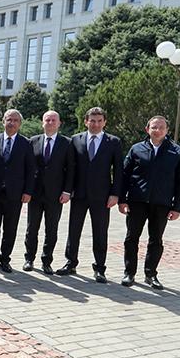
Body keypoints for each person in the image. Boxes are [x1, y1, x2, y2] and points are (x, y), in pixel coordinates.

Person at [119, 116, 180, 290]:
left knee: (155, 240)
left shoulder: (176, 152)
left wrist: (177, 207)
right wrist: (122, 199)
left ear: (167, 130)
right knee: (131, 238)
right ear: (147, 129)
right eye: (154, 127)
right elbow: (124, 176)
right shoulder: (136, 149)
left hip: (162, 203)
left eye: (161, 127)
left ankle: (151, 274)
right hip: (137, 202)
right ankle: (129, 273)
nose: (157, 130)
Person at [57, 106, 123, 283]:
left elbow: (118, 170)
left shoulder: (113, 142)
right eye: (92, 121)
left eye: (99, 121)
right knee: (74, 230)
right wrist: (67, 190)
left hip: (102, 196)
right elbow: (71, 168)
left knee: (100, 232)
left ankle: (100, 268)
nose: (96, 124)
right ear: (86, 121)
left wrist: (115, 194)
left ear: (105, 122)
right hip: (79, 194)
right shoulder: (76, 140)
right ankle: (71, 262)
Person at [0, 109, 35, 273]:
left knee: (10, 228)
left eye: (15, 120)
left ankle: (5, 258)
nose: (12, 123)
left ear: (20, 124)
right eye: (9, 119)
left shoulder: (26, 144)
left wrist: (28, 191)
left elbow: (30, 170)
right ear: (3, 121)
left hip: (15, 193)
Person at [23, 111, 74, 274]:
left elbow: (71, 170)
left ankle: (47, 260)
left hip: (55, 194)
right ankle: (29, 259)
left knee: (51, 229)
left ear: (59, 123)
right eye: (47, 120)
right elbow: (27, 169)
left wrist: (67, 191)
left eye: (53, 120)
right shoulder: (33, 141)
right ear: (42, 122)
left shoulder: (67, 143)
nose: (50, 122)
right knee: (32, 228)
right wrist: (26, 190)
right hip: (35, 194)